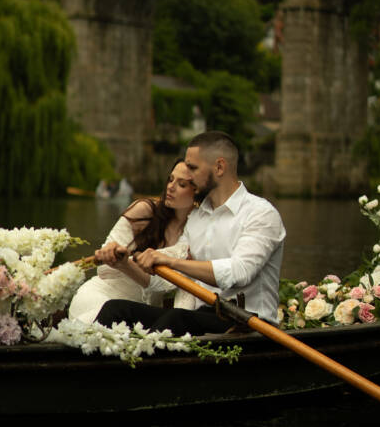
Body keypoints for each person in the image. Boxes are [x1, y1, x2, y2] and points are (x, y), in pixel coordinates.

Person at [95, 130, 285, 333]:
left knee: (176, 318)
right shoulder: (196, 218)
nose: (188, 175)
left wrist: (171, 261)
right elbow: (166, 279)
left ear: (219, 167)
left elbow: (239, 272)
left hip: (249, 323)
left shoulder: (261, 213)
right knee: (115, 309)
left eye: (193, 168)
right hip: (202, 316)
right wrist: (124, 264)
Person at [67, 159, 197, 323]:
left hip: (140, 314)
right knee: (95, 324)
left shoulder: (197, 232)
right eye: (170, 180)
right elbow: (104, 269)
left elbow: (168, 285)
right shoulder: (144, 210)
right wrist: (120, 261)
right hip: (101, 297)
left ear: (197, 191)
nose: (170, 187)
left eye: (181, 184)